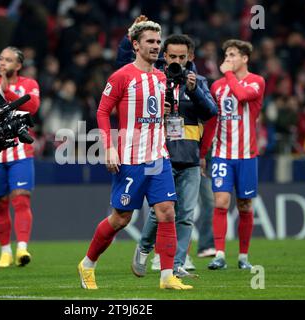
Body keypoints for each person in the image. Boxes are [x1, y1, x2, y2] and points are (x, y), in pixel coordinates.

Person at [77, 20, 192, 290]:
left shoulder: (161, 77)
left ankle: (167, 277)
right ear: (136, 45)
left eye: (157, 41)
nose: (155, 45)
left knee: (166, 212)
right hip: (129, 157)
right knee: (121, 218)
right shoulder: (121, 76)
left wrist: (162, 116)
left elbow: (155, 112)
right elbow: (102, 112)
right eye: (150, 41)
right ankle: (88, 264)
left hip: (158, 156)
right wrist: (108, 147)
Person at [130, 34, 217, 278]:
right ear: (164, 57)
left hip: (189, 157)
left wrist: (195, 90)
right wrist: (159, 110)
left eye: (182, 56)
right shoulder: (154, 81)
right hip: (161, 154)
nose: (177, 61)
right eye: (172, 56)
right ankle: (144, 248)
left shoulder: (198, 81)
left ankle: (176, 264)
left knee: (186, 215)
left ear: (190, 57)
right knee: (161, 213)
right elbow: (137, 115)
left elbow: (211, 112)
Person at [199, 39, 265, 270]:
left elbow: (243, 96)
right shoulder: (216, 87)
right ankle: (219, 254)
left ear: (245, 58)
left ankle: (243, 257)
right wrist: (202, 152)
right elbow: (212, 121)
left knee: (245, 205)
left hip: (247, 156)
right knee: (221, 202)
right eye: (226, 55)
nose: (228, 59)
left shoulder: (257, 81)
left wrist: (228, 75)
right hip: (222, 154)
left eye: (233, 55)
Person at [0, 46, 40, 268]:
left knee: (21, 198)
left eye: (8, 60)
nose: (2, 63)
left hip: (20, 152)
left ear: (18, 65)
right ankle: (5, 252)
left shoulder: (29, 85)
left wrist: (7, 92)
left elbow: (32, 108)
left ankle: (22, 248)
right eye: (1, 59)